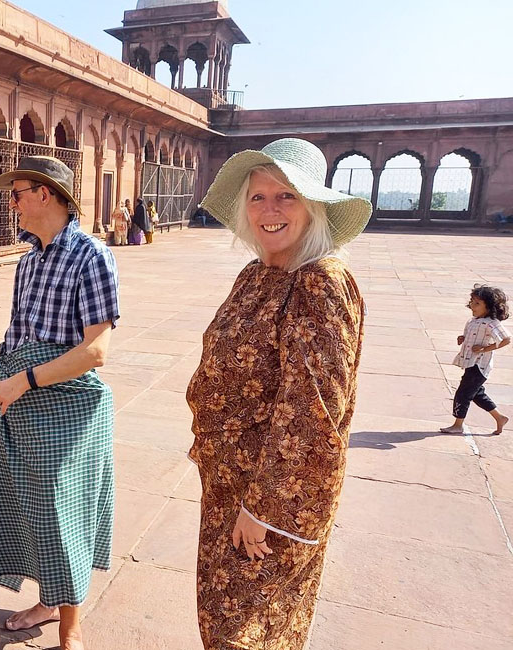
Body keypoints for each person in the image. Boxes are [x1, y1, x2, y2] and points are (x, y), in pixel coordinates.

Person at [185, 138, 371, 650]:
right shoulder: (259, 274)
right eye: (258, 196)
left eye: (286, 196)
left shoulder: (319, 282)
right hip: (230, 482)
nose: (269, 209)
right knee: (226, 620)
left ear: (313, 207)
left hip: (271, 500)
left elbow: (313, 414)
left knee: (244, 632)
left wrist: (264, 508)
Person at [0, 156, 119, 650]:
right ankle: (48, 598)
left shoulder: (91, 256)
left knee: (64, 510)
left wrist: (25, 381)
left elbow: (96, 350)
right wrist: (5, 374)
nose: (11, 203)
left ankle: (70, 623)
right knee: (30, 505)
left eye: (16, 193)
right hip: (26, 398)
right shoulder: (29, 258)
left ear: (46, 195)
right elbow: (21, 331)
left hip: (68, 406)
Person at [440, 285, 510, 435]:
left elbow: (506, 339)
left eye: (477, 303)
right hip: (469, 362)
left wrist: (485, 349)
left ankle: (458, 425)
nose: (473, 305)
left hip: (479, 365)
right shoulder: (473, 321)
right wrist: (463, 338)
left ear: (490, 306)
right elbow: (471, 335)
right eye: (472, 301)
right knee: (477, 394)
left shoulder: (491, 322)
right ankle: (499, 418)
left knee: (463, 394)